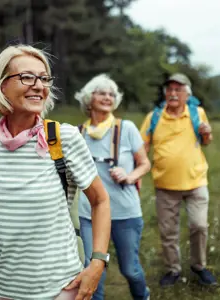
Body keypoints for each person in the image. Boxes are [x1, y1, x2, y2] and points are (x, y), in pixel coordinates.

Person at [0, 44, 112, 300]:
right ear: (2, 86)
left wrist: (98, 263)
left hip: (58, 287)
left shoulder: (64, 138)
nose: (38, 85)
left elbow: (100, 201)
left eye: (44, 78)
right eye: (27, 77)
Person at [75, 74, 151, 300]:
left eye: (111, 94)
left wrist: (129, 176)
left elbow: (145, 163)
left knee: (130, 269)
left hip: (124, 212)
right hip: (89, 214)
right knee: (92, 271)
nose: (107, 97)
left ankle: (142, 296)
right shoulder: (78, 134)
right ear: (89, 99)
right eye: (101, 92)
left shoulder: (126, 128)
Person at [139, 73, 217, 287]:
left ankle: (199, 266)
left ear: (186, 94)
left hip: (196, 181)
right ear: (165, 93)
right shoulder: (154, 117)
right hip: (165, 185)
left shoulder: (197, 112)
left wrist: (207, 133)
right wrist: (136, 172)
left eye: (178, 89)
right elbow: (142, 147)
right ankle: (173, 270)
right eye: (170, 89)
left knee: (199, 226)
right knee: (168, 231)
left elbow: (206, 140)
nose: (173, 93)